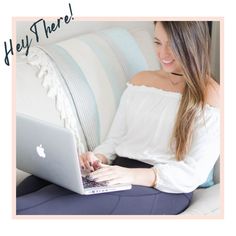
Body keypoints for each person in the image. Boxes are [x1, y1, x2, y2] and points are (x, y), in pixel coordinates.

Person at [17, 21, 220, 215]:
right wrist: (97, 159)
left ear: (191, 44)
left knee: (37, 207)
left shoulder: (210, 94)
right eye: (157, 42)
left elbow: (194, 172)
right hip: (118, 170)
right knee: (32, 184)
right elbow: (114, 141)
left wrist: (131, 175)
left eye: (172, 45)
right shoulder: (140, 81)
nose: (163, 54)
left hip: (163, 188)